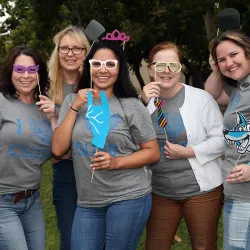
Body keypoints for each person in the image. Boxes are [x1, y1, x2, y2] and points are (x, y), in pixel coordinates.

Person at [52, 39, 160, 250]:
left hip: (128, 196)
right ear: (88, 66)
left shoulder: (132, 105)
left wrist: (116, 162)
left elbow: (152, 152)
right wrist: (74, 107)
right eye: (97, 64)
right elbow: (58, 149)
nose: (103, 70)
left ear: (119, 69)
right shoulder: (73, 101)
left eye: (110, 64)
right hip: (88, 201)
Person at [140, 41, 225, 250]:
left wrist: (189, 151)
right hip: (160, 191)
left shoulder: (201, 99)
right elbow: (130, 140)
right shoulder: (142, 102)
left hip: (201, 190)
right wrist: (141, 104)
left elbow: (221, 139)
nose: (166, 71)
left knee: (203, 246)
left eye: (173, 65)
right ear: (151, 70)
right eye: (160, 66)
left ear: (180, 68)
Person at [0, 45, 56, 250]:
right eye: (19, 70)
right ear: (10, 72)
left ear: (39, 73)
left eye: (32, 70)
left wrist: (53, 118)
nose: (26, 76)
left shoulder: (45, 106)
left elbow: (59, 152)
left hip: (32, 199)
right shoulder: (2, 102)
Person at [47, 25, 90, 250]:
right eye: (64, 48)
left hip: (96, 168)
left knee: (97, 235)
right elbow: (54, 151)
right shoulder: (45, 87)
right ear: (57, 51)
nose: (70, 54)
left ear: (86, 52)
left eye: (77, 48)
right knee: (71, 236)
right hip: (65, 172)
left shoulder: (97, 82)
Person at [207, 31, 250, 250]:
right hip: (237, 190)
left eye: (234, 55)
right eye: (222, 59)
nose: (229, 62)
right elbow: (211, 94)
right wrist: (217, 69)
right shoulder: (240, 88)